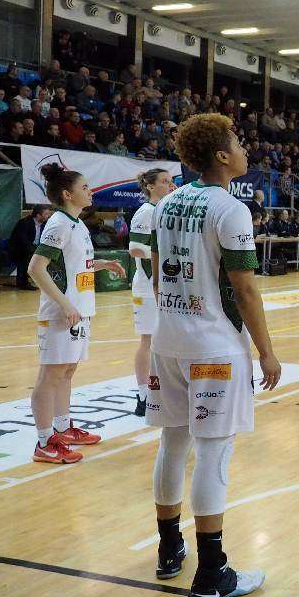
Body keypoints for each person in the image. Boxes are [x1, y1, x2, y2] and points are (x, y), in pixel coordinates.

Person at [146, 112, 281, 597]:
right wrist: (266, 351)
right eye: (238, 142)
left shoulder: (166, 204)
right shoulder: (231, 209)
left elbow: (160, 275)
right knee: (213, 452)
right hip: (214, 348)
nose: (245, 148)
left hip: (168, 340)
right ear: (222, 156)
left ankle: (168, 551)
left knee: (172, 444)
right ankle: (212, 574)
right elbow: (244, 287)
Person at [27, 163, 127, 464]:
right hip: (62, 314)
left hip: (78, 312)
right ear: (68, 194)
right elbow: (36, 268)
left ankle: (62, 427)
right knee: (50, 376)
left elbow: (71, 266)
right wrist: (65, 305)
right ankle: (44, 442)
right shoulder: (58, 223)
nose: (91, 191)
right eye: (85, 188)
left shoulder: (77, 223)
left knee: (67, 372)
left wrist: (103, 264)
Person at [128, 167, 176, 417]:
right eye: (165, 181)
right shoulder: (145, 212)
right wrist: (163, 255)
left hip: (166, 283)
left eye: (171, 181)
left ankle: (163, 390)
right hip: (147, 285)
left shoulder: (165, 210)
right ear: (149, 186)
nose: (170, 185)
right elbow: (135, 248)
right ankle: (143, 395)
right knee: (148, 340)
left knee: (166, 339)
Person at [9, 205, 52, 291]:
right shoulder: (24, 223)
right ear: (38, 215)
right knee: (28, 255)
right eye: (46, 214)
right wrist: (37, 251)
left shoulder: (46, 224)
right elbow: (23, 241)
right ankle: (23, 282)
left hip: (35, 249)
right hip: (20, 249)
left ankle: (48, 281)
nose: (49, 216)